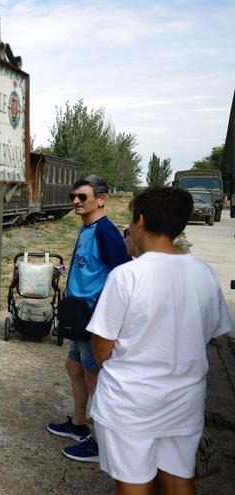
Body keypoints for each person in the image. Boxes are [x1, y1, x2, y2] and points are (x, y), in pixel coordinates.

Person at [89, 187, 231, 494]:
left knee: (134, 482)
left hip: (130, 403)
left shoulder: (127, 276)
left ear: (140, 220)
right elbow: (209, 333)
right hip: (185, 401)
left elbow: (102, 346)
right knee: (180, 478)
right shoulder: (203, 273)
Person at [47, 174, 130, 463]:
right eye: (74, 196)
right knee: (74, 366)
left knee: (95, 378)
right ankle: (79, 424)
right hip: (79, 315)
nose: (76, 201)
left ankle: (102, 443)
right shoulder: (87, 228)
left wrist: (108, 313)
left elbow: (123, 273)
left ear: (101, 199)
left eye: (82, 197)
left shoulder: (106, 231)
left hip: (94, 317)